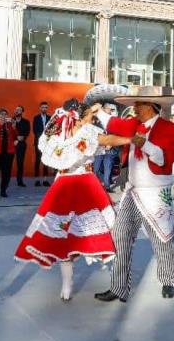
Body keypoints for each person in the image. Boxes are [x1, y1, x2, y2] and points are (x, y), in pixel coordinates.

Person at [14, 99, 131, 300]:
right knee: (93, 229)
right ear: (80, 118)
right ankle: (97, 282)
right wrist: (131, 139)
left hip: (65, 183)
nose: (92, 119)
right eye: (90, 117)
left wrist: (93, 111)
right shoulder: (84, 132)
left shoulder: (57, 134)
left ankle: (70, 285)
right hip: (83, 184)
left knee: (65, 233)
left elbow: (106, 139)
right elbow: (109, 140)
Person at [94, 86, 174, 302]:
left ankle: (168, 280)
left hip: (156, 191)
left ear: (151, 107)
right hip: (132, 190)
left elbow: (166, 158)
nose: (135, 108)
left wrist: (147, 145)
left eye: (139, 104)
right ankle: (118, 287)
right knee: (120, 235)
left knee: (162, 238)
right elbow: (114, 124)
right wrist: (98, 112)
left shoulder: (169, 129)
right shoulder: (134, 124)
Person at [0, 109, 18, 198]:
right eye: (1, 114)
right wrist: (0, 123)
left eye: (5, 114)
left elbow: (15, 135)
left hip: (8, 153)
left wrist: (14, 126)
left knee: (6, 173)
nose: (3, 116)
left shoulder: (9, 125)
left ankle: (3, 190)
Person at [93, 103, 117, 190]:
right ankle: (95, 186)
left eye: (111, 109)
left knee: (108, 168)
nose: (110, 111)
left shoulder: (113, 120)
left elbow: (116, 133)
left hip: (109, 149)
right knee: (96, 169)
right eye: (108, 109)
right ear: (103, 109)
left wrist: (110, 143)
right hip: (99, 149)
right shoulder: (95, 120)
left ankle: (107, 187)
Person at [33, 101, 51, 186]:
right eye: (43, 107)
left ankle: (45, 180)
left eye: (46, 107)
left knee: (46, 161)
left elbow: (52, 130)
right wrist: (42, 138)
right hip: (39, 142)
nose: (44, 109)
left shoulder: (50, 118)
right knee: (37, 161)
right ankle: (37, 180)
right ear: (40, 108)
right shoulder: (36, 118)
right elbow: (35, 130)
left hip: (47, 143)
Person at [13, 105, 30, 187]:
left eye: (19, 110)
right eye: (16, 109)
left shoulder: (26, 122)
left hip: (21, 144)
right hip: (11, 144)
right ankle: (5, 180)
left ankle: (20, 181)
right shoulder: (10, 121)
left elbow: (26, 133)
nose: (17, 111)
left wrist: (21, 138)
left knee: (20, 163)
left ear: (22, 112)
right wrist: (15, 139)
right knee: (7, 163)